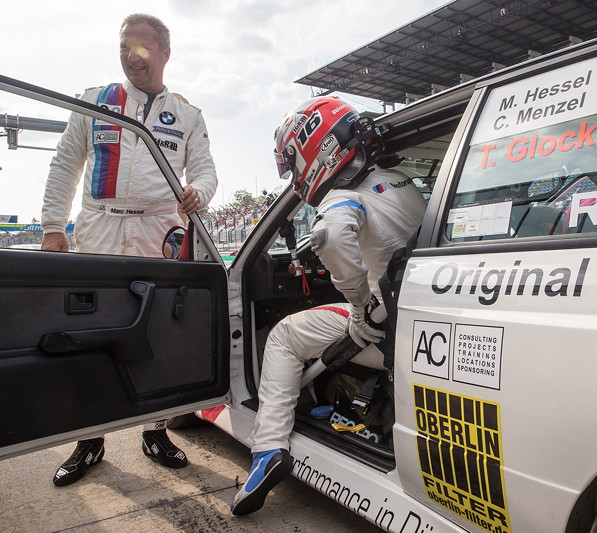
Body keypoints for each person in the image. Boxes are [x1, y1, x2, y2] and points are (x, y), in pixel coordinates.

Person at [41, 13, 218, 486]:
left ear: (164, 53)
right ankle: (89, 439)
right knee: (90, 334)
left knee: (154, 336)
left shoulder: (187, 114)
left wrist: (198, 192)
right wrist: (53, 226)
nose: (130, 56)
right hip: (98, 229)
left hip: (158, 230)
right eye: (123, 46)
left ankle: (154, 431)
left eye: (140, 48)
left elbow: (205, 173)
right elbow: (65, 166)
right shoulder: (93, 101)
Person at [230, 96, 427, 515]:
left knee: (283, 335)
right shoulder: (402, 182)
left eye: (293, 160)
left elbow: (334, 239)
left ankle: (267, 449)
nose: (295, 171)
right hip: (418, 325)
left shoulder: (341, 197)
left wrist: (358, 307)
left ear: (314, 148)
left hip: (386, 333)